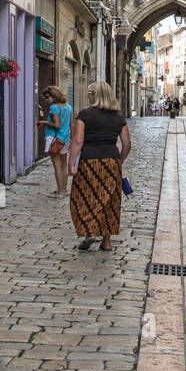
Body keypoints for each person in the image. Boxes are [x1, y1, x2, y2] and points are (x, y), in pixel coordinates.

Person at [68, 81, 130, 252]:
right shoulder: (119, 117)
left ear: (94, 95)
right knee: (109, 200)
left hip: (89, 161)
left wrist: (71, 163)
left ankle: (90, 233)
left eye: (89, 92)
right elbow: (126, 144)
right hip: (111, 161)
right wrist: (119, 161)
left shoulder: (85, 115)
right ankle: (107, 242)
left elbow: (78, 141)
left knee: (85, 197)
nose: (88, 96)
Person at [37, 85, 72, 196]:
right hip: (65, 139)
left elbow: (56, 125)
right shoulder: (68, 107)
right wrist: (72, 139)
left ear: (54, 96)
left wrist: (44, 122)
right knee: (64, 165)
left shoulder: (54, 108)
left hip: (55, 139)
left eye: (48, 97)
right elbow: (72, 125)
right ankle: (64, 190)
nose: (48, 100)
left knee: (57, 165)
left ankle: (60, 191)